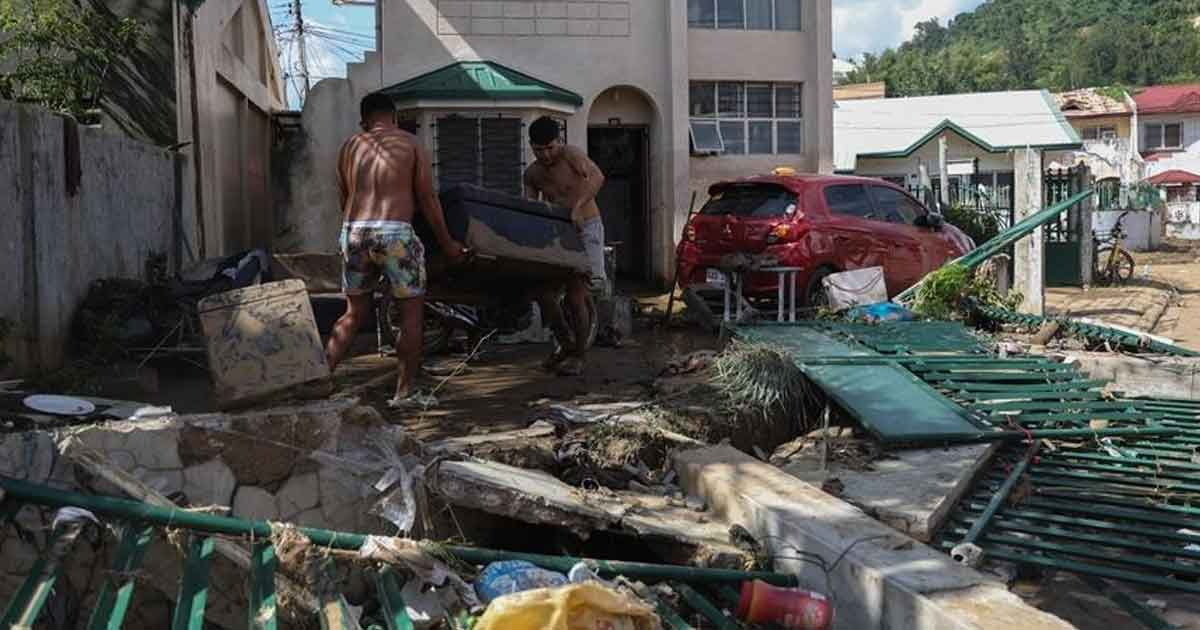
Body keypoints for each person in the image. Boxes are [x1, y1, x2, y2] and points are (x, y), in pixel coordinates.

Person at [325, 92, 466, 408]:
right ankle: (404, 393)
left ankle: (319, 379)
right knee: (410, 314)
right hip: (394, 233)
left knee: (353, 313)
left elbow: (343, 198)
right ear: (395, 116)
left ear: (364, 120)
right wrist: (448, 244)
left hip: (354, 232)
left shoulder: (348, 147)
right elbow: (428, 199)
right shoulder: (411, 144)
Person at [523, 116, 606, 376]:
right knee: (544, 295)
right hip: (557, 233)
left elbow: (597, 177)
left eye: (550, 147)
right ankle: (566, 346)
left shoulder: (571, 155)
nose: (546, 154)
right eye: (539, 149)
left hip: (586, 227)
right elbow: (531, 208)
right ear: (531, 147)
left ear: (559, 141)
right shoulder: (532, 173)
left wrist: (579, 206)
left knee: (575, 294)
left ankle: (578, 355)